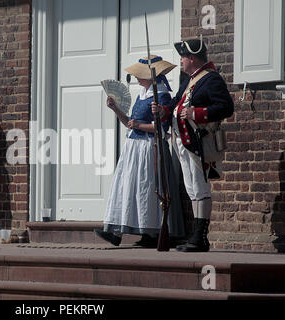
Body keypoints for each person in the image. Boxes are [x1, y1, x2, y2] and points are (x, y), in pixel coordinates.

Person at [152, 37, 234, 252]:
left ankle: (200, 237)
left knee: (199, 186)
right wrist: (164, 111)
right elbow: (176, 103)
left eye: (183, 57)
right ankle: (196, 237)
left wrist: (196, 113)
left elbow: (225, 107)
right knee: (191, 188)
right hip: (183, 141)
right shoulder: (190, 79)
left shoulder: (211, 79)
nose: (181, 61)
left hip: (198, 141)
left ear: (192, 58)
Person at [95, 55, 185, 248]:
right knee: (129, 188)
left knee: (148, 189)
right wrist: (115, 109)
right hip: (133, 148)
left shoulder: (161, 96)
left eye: (139, 75)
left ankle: (151, 232)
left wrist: (140, 125)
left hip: (149, 148)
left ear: (149, 76)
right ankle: (117, 232)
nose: (136, 78)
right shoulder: (142, 95)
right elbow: (130, 123)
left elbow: (161, 127)